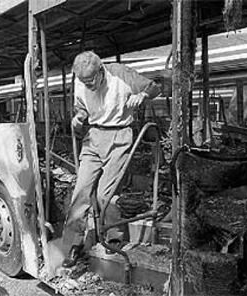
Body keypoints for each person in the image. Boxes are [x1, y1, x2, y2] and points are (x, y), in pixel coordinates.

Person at [62, 51, 161, 268]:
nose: (87, 85)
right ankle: (73, 245)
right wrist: (79, 118)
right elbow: (81, 107)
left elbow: (155, 87)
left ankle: (113, 239)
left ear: (101, 71)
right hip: (93, 136)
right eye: (83, 81)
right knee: (80, 192)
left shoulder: (120, 74)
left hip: (119, 135)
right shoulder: (81, 82)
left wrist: (142, 96)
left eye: (91, 81)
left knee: (104, 194)